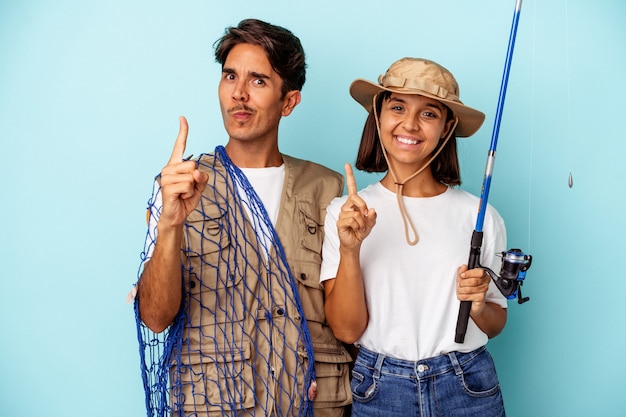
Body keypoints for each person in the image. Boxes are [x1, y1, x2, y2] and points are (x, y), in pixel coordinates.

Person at [133, 18, 352, 417]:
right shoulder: (178, 183)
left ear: (289, 101)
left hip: (310, 403)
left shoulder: (328, 189)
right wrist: (170, 224)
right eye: (230, 76)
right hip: (214, 405)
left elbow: (349, 320)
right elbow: (155, 318)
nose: (238, 94)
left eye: (258, 81)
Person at [320, 57, 508, 416]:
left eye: (429, 113)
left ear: (447, 127)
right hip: (379, 387)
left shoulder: (480, 216)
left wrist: (481, 304)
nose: (409, 124)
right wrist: (350, 249)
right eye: (398, 107)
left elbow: (496, 323)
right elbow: (346, 329)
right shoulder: (344, 213)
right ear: (378, 115)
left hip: (466, 385)